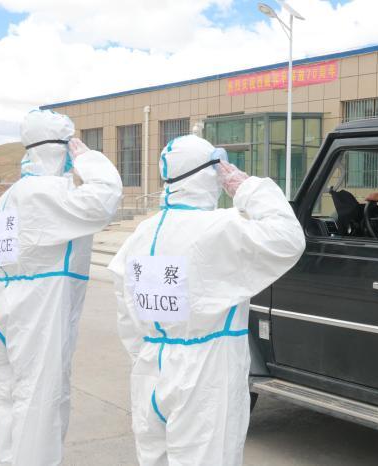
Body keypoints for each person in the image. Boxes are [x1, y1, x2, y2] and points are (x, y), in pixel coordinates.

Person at [108, 135, 305, 466]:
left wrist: (146, 354)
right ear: (210, 174)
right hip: (204, 373)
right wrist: (248, 188)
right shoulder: (220, 228)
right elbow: (288, 238)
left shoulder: (142, 233)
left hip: (150, 369)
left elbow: (125, 311)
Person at [0, 109, 123, 466]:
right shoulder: (49, 192)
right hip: (37, 309)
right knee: (38, 402)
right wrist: (89, 159)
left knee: (7, 397)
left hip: (2, 304)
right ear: (62, 148)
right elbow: (104, 198)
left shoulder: (13, 195)